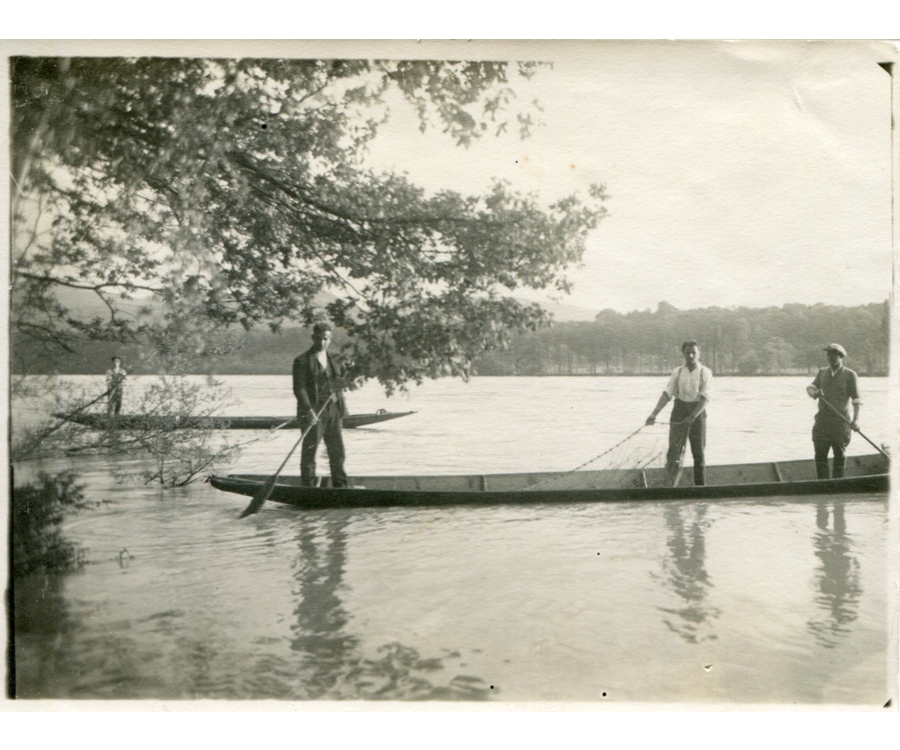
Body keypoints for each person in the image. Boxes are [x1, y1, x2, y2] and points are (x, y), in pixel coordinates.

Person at [646, 340, 712, 486]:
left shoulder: (705, 372)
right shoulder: (677, 372)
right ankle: (669, 486)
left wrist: (692, 417)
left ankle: (701, 488)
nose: (690, 355)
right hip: (679, 411)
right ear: (683, 354)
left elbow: (705, 398)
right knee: (673, 454)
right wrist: (653, 414)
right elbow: (667, 394)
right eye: (687, 352)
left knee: (698, 454)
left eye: (693, 352)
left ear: (698, 353)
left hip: (697, 413)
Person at [293, 322, 349, 488]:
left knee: (337, 452)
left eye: (326, 339)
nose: (322, 342)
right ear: (313, 338)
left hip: (334, 410)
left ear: (330, 339)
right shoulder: (301, 361)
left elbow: (343, 380)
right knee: (310, 452)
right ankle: (308, 488)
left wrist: (345, 381)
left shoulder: (336, 359)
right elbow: (299, 388)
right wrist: (308, 410)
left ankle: (341, 487)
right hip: (313, 412)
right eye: (319, 338)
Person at [807, 343, 861, 480]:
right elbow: (810, 387)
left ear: (840, 356)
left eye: (833, 354)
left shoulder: (850, 375)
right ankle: (823, 484)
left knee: (839, 454)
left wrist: (855, 420)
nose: (829, 357)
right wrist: (814, 392)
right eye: (828, 354)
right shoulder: (822, 372)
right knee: (820, 454)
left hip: (840, 422)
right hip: (822, 421)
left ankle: (838, 483)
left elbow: (856, 399)